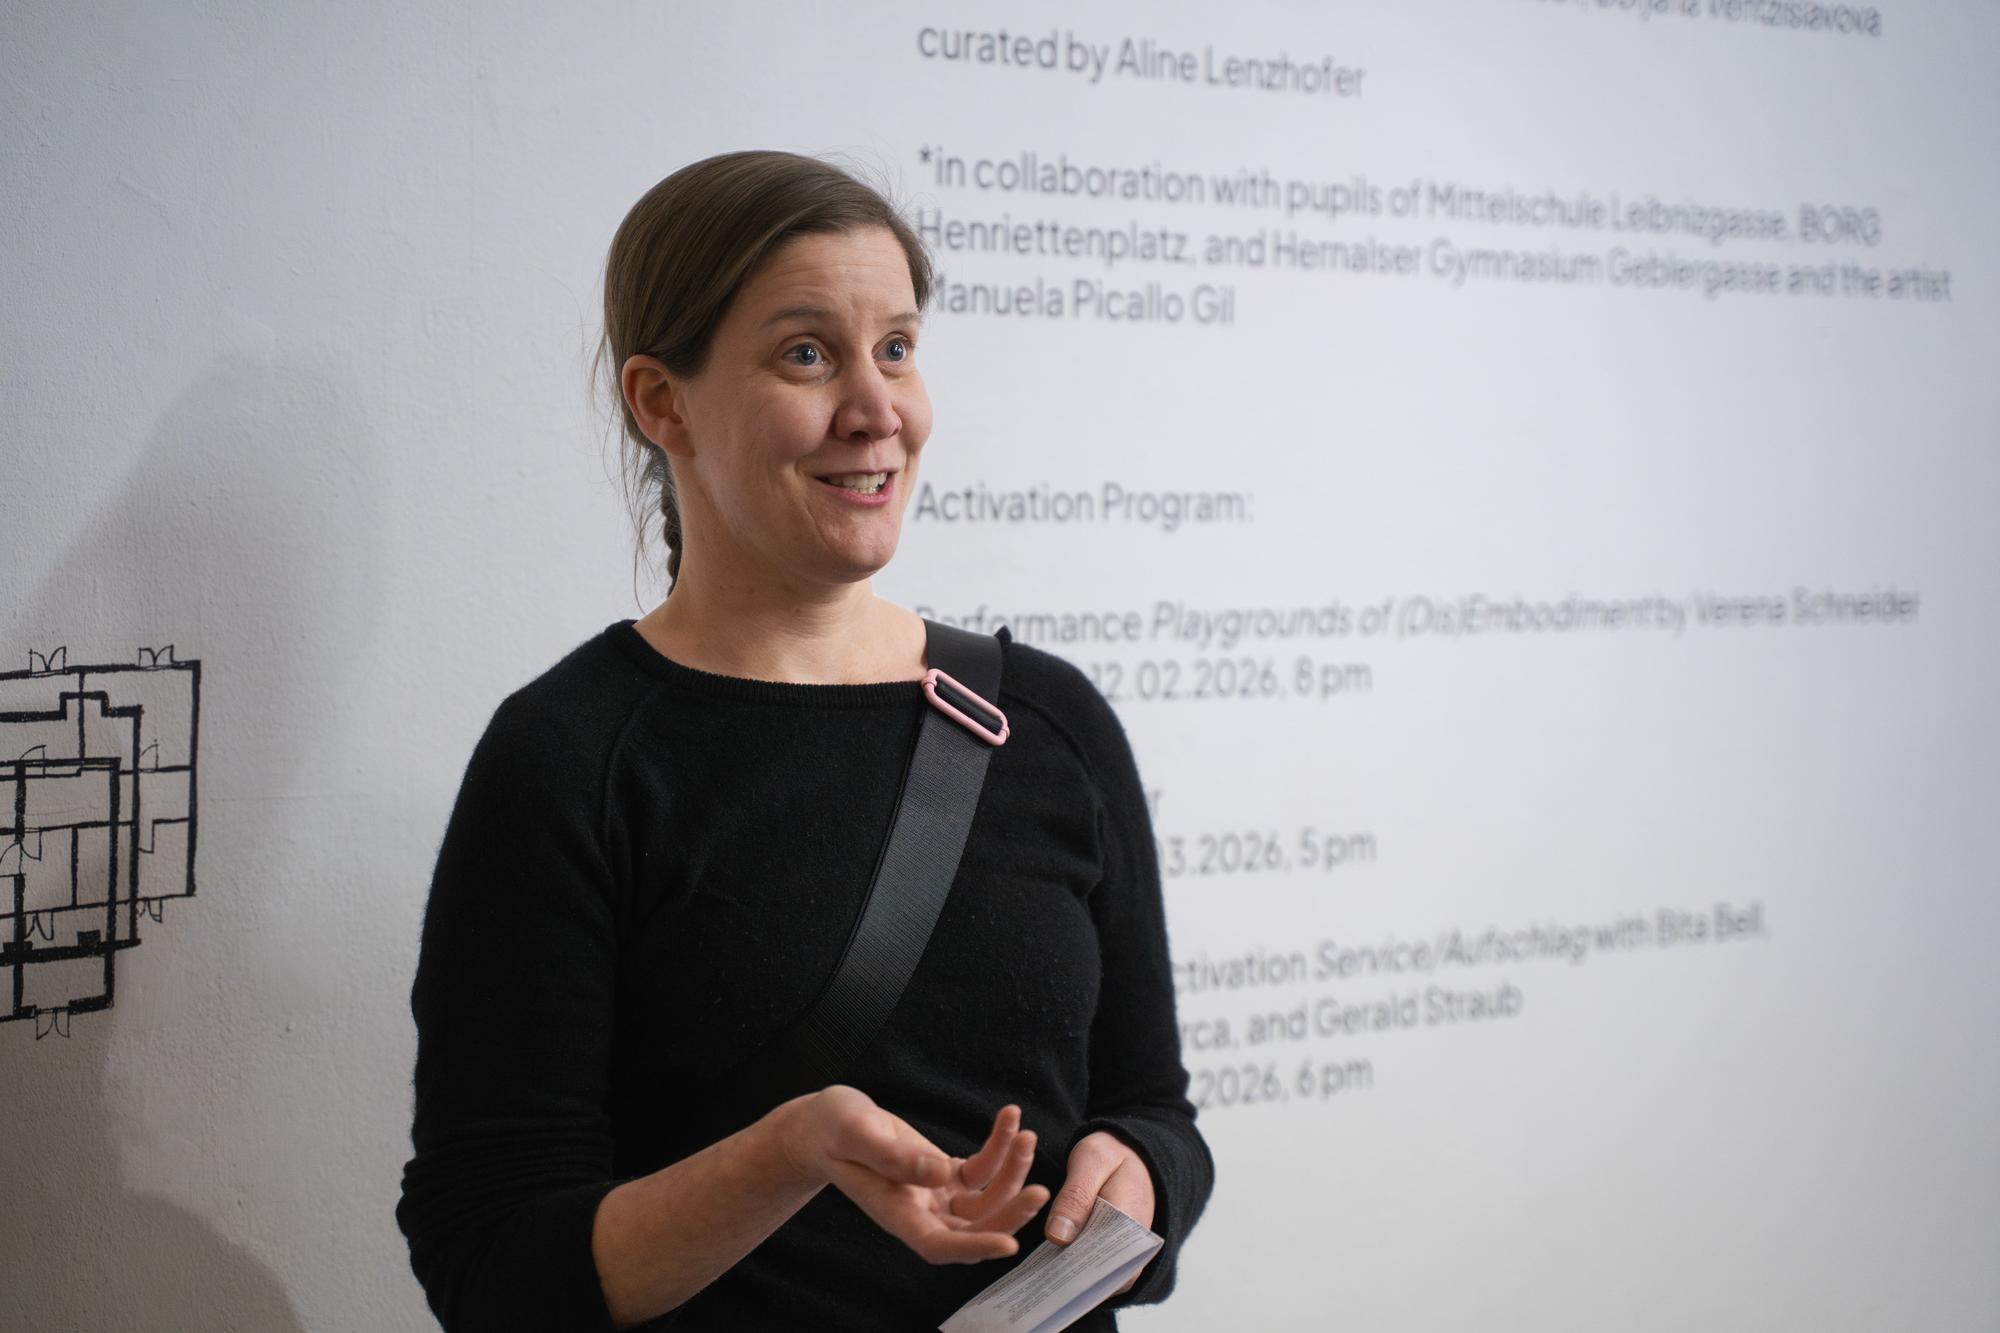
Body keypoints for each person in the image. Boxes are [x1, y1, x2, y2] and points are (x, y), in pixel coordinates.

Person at [395, 150, 1212, 1330]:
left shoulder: (1049, 722)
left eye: (897, 348)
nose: (878, 411)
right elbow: (491, 1263)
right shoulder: (571, 756)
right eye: (808, 355)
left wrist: (1139, 1175)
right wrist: (785, 1155)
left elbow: (1154, 1108)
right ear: (661, 402)